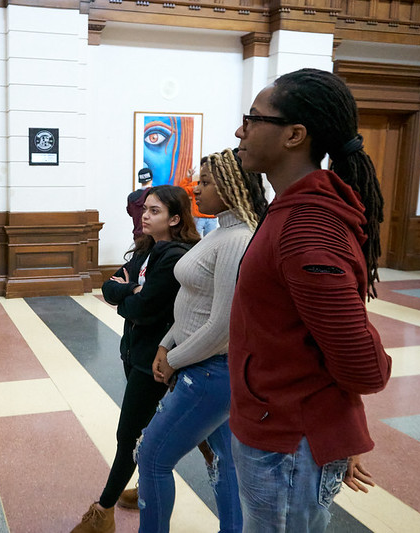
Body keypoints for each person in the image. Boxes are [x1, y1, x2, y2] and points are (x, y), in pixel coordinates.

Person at [229, 68, 392, 532]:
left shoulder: (308, 226)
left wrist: (333, 422)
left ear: (294, 135)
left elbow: (360, 362)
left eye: (253, 118)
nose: (241, 130)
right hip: (274, 425)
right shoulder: (291, 210)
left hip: (289, 442)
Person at [135, 149, 267, 533]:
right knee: (224, 460)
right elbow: (193, 305)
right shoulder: (223, 232)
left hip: (211, 371)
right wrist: (166, 343)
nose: (197, 188)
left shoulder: (238, 239)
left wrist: (174, 359)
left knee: (153, 457)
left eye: (207, 182)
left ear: (231, 186)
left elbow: (222, 325)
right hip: (197, 361)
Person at [72, 185, 199, 533]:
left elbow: (143, 311)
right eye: (145, 209)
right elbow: (108, 286)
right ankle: (144, 486)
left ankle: (103, 511)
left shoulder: (176, 255)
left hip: (155, 360)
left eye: (155, 211)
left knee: (128, 435)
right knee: (146, 428)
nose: (144, 215)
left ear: (175, 219)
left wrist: (128, 296)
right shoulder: (147, 248)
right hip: (135, 352)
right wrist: (130, 290)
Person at [126, 168, 152, 239]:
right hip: (152, 235)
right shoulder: (155, 195)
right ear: (151, 179)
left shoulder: (131, 197)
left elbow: (130, 213)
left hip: (137, 235)